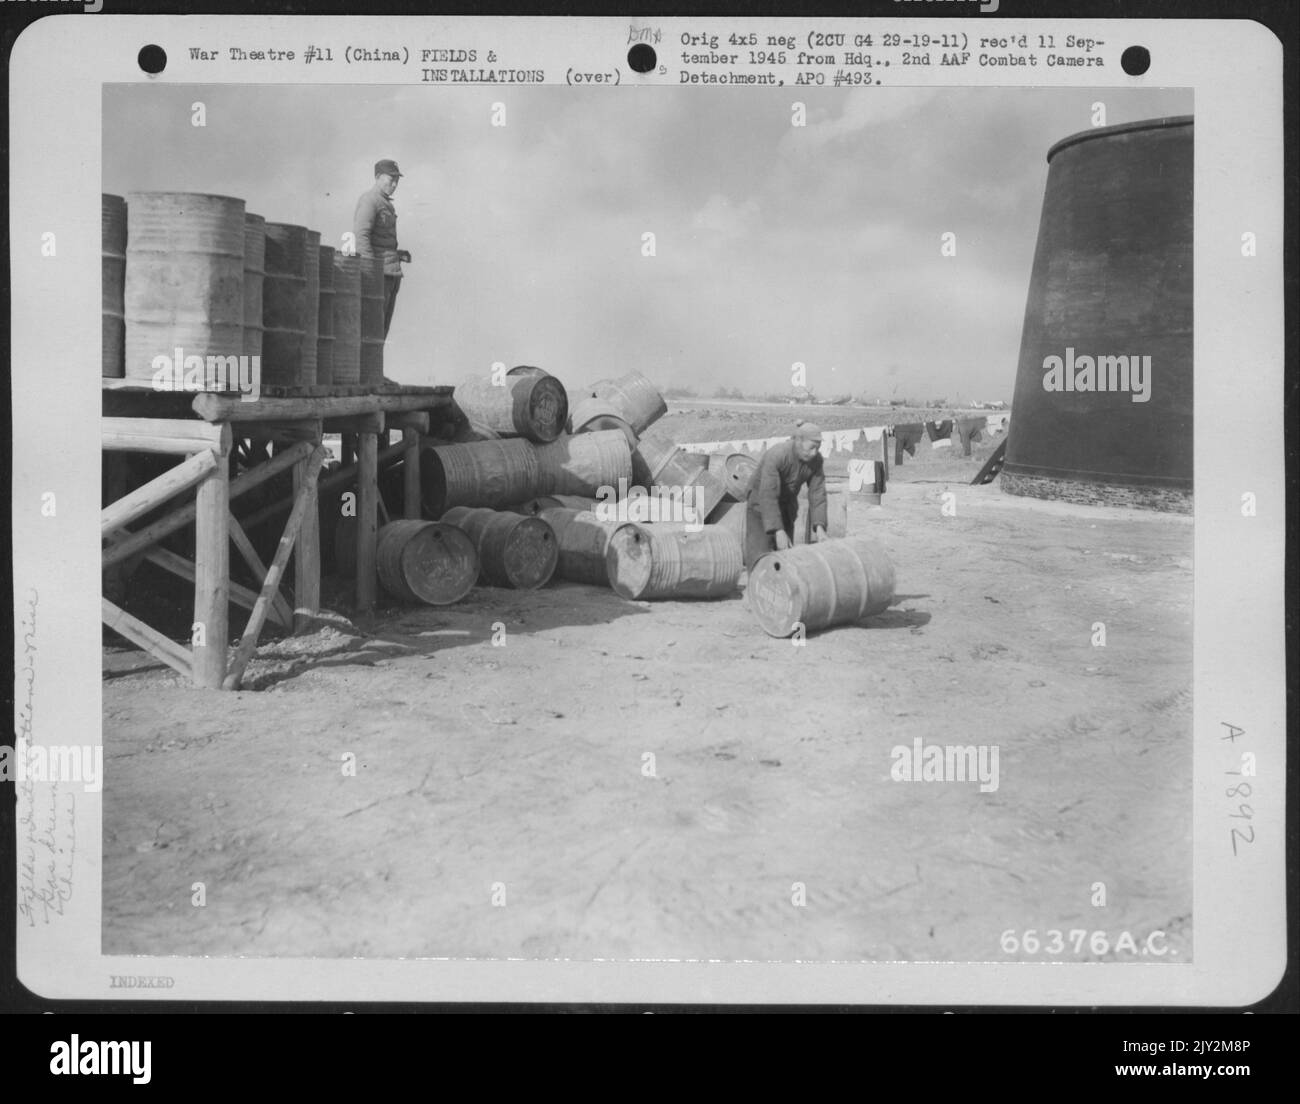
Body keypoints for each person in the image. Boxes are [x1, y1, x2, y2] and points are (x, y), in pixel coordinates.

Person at [743, 421, 828, 570]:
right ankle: (756, 587)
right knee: (760, 554)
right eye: (812, 447)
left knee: (784, 556)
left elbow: (818, 494)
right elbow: (768, 494)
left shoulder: (816, 461)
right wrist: (778, 530)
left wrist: (819, 527)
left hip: (786, 505)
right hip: (760, 504)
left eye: (818, 448)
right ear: (799, 440)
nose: (815, 452)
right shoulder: (777, 455)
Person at [353, 158, 411, 338]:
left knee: (381, 331)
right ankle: (368, 366)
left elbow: (381, 240)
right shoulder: (370, 200)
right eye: (390, 179)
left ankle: (373, 366)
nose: (394, 184)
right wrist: (370, 272)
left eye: (397, 180)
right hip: (379, 275)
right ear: (378, 177)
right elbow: (361, 237)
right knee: (372, 330)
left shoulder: (384, 203)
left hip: (390, 273)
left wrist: (398, 254)